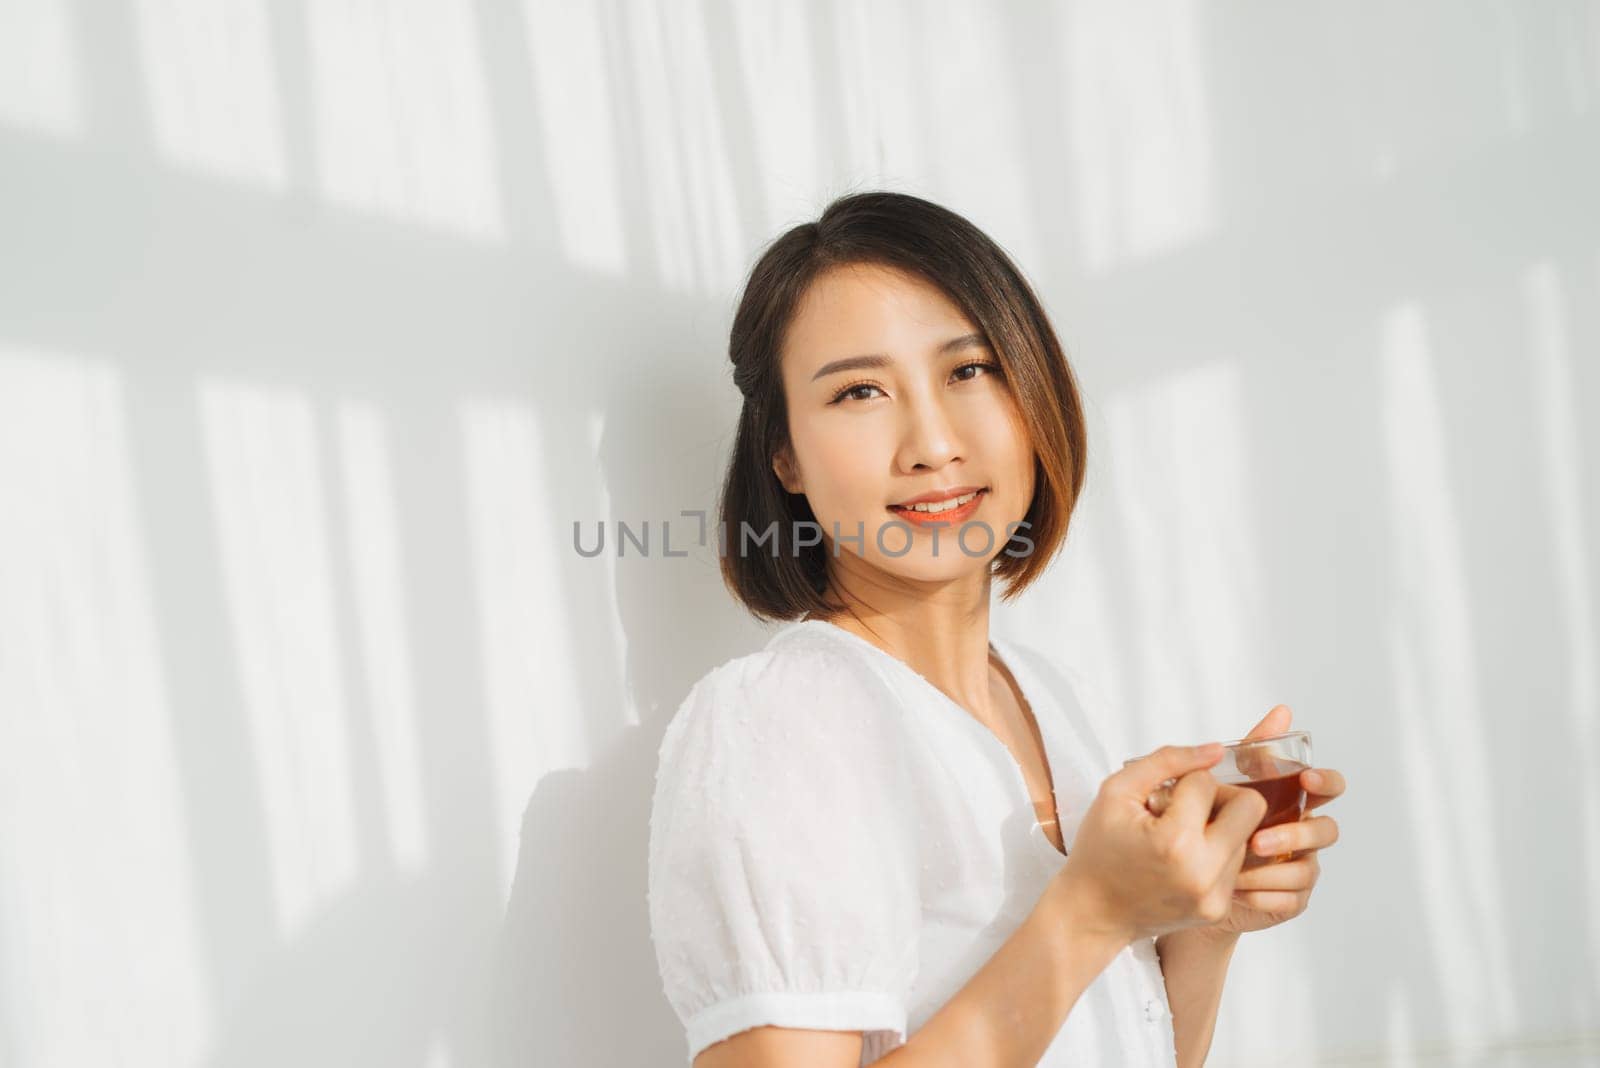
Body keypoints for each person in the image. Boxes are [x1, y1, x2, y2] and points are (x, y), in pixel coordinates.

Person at [646, 191, 1346, 1067]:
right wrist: (1091, 912)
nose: (932, 442)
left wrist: (1199, 921)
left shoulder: (1051, 696)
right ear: (783, 454)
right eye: (860, 391)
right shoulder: (777, 723)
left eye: (969, 370)